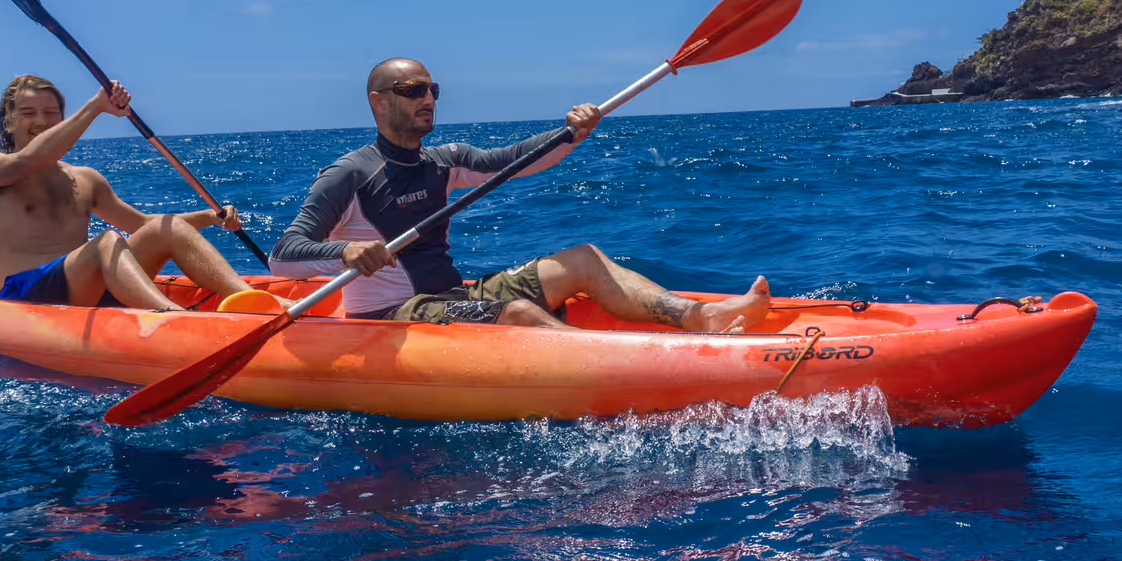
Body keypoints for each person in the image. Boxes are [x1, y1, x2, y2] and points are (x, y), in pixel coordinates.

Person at [270, 58, 769, 330]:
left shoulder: (442, 160)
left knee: (584, 259)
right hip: (390, 315)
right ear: (378, 102)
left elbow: (513, 160)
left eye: (431, 89)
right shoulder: (349, 174)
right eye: (411, 90)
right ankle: (623, 369)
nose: (427, 99)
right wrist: (346, 252)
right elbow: (283, 257)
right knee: (519, 315)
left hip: (451, 296)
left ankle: (701, 318)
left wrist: (573, 131)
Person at [0, 73, 250, 310]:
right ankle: (173, 315)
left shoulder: (85, 178)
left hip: (82, 291)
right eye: (28, 113)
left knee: (168, 227)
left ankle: (254, 299)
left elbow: (140, 225)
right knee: (107, 240)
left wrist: (210, 217)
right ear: (9, 120)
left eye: (50, 112)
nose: (42, 120)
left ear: (62, 118)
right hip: (22, 295)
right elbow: (29, 160)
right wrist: (96, 106)